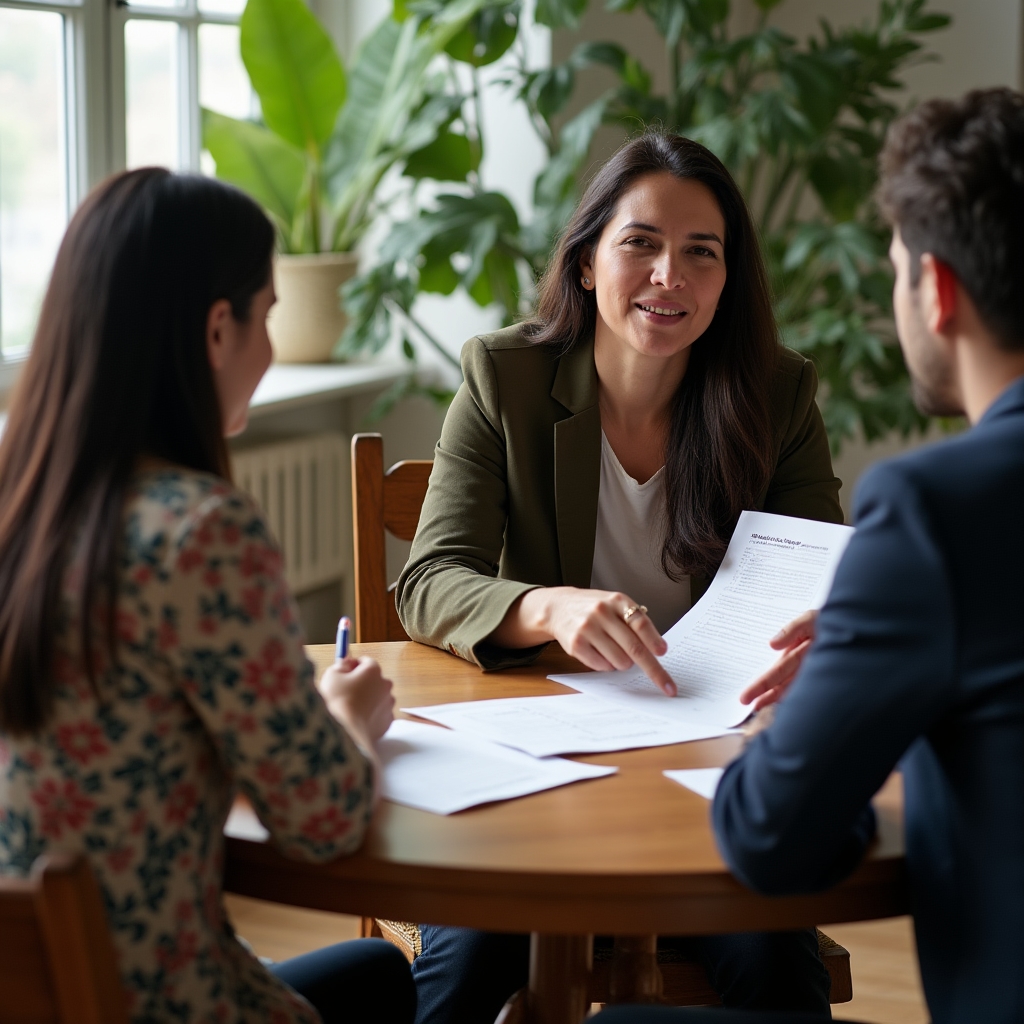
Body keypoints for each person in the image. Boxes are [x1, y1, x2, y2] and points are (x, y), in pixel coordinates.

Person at [593, 87, 1024, 1024]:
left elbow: (769, 834)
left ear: (938, 290)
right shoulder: (506, 374)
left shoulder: (933, 510)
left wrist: (833, 708)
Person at [396, 132, 843, 1024]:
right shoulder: (507, 377)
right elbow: (429, 579)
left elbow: (823, 579)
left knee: (775, 962)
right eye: (641, 242)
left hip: (704, 759)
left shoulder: (777, 394)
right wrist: (544, 606)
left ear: (727, 280)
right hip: (532, 755)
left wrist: (827, 629)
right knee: (473, 956)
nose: (669, 275)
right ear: (590, 262)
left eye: (700, 253)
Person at [0, 169, 416, 1024]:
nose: (268, 347)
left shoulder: (21, 509)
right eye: (266, 315)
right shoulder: (199, 535)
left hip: (29, 984)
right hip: (148, 999)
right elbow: (323, 819)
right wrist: (346, 716)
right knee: (383, 977)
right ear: (217, 328)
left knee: (376, 970)